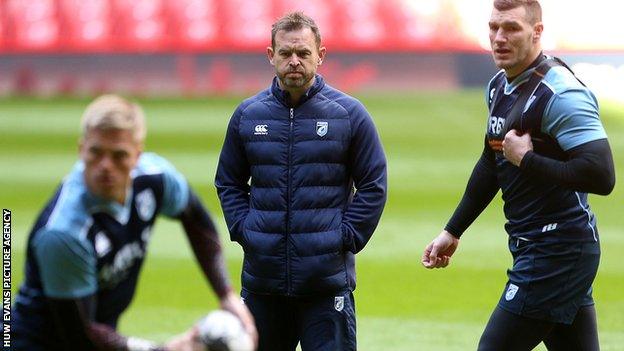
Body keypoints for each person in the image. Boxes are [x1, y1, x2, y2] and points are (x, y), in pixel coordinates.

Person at [422, 1, 615, 350]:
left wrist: (527, 160)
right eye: (494, 27)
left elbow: (602, 176)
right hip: (539, 246)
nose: (499, 38)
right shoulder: (499, 86)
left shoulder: (561, 93)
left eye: (511, 28)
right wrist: (453, 230)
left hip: (557, 251)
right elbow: (490, 161)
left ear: (537, 32)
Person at [11, 94, 256, 351]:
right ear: (81, 149)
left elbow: (195, 220)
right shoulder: (64, 232)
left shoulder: (156, 178)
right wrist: (163, 349)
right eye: (96, 152)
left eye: (119, 155)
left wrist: (226, 295)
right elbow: (80, 336)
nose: (106, 166)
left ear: (137, 155)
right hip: (39, 342)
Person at [215, 11, 387, 351]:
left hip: (325, 285)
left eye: (304, 53)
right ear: (271, 56)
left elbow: (373, 184)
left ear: (320, 56)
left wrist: (345, 236)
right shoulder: (248, 115)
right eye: (286, 53)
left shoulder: (349, 114)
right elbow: (228, 182)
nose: (295, 61)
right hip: (263, 284)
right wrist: (245, 229)